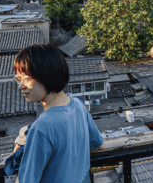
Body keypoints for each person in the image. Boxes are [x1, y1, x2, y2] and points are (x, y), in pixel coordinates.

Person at [13, 44, 104, 183]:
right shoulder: (78, 105)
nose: (21, 86)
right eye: (19, 79)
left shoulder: (42, 127)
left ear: (46, 75)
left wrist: (19, 151)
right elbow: (98, 145)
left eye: (27, 79)